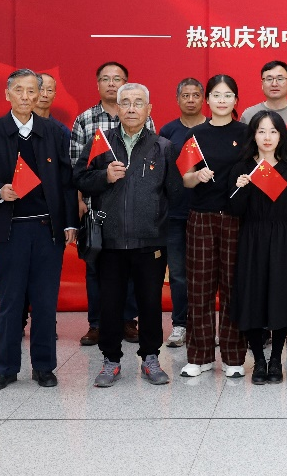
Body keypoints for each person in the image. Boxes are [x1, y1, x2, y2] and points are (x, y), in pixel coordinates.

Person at [0, 69, 77, 391]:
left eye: (32, 91)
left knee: (45, 302)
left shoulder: (53, 132)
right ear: (7, 94)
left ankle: (44, 367)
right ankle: (5, 368)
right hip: (10, 231)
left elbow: (67, 182)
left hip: (47, 230)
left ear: (40, 94)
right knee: (10, 302)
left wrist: (70, 222)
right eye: (19, 90)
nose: (26, 97)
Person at [76, 83, 184, 388]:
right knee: (110, 304)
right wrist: (104, 176)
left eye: (138, 103)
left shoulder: (163, 147)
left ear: (149, 109)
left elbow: (175, 192)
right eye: (126, 102)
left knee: (150, 303)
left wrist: (156, 218)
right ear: (118, 108)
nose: (132, 108)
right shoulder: (101, 142)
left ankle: (151, 358)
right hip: (110, 240)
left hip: (150, 241)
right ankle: (110, 360)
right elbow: (80, 179)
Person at [70, 62, 150, 346]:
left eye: (118, 79)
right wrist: (79, 200)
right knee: (96, 267)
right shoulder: (85, 120)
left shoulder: (143, 116)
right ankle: (97, 323)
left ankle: (128, 321)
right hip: (97, 207)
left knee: (131, 268)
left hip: (134, 210)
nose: (112, 83)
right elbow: (76, 166)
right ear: (98, 84)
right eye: (106, 79)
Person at [180, 74, 250, 378]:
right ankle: (200, 356)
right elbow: (185, 179)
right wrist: (197, 176)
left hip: (236, 218)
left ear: (236, 100)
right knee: (200, 289)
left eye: (228, 95)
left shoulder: (246, 133)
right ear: (207, 100)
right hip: (202, 217)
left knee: (234, 288)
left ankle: (234, 357)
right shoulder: (195, 134)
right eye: (216, 95)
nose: (222, 100)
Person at [229, 111, 287, 385]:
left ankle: (276, 360)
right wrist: (241, 187)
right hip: (252, 237)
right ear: (253, 135)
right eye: (261, 131)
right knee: (253, 296)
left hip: (282, 238)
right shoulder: (243, 167)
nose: (267, 137)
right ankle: (259, 361)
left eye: (273, 131)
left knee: (280, 297)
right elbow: (234, 209)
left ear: (281, 135)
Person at [158, 78, 206, 349]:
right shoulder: (168, 131)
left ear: (203, 99)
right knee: (177, 273)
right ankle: (180, 324)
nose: (190, 100)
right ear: (177, 99)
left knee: (207, 273)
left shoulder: (212, 128)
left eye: (195, 95)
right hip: (175, 213)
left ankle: (206, 325)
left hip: (207, 212)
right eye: (185, 95)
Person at [241, 60, 287, 135]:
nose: (274, 84)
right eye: (269, 79)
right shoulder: (249, 115)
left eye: (280, 79)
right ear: (262, 84)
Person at [33, 72, 70, 138]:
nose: (45, 95)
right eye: (41, 89)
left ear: (54, 95)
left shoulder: (62, 131)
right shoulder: (19, 125)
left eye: (49, 90)